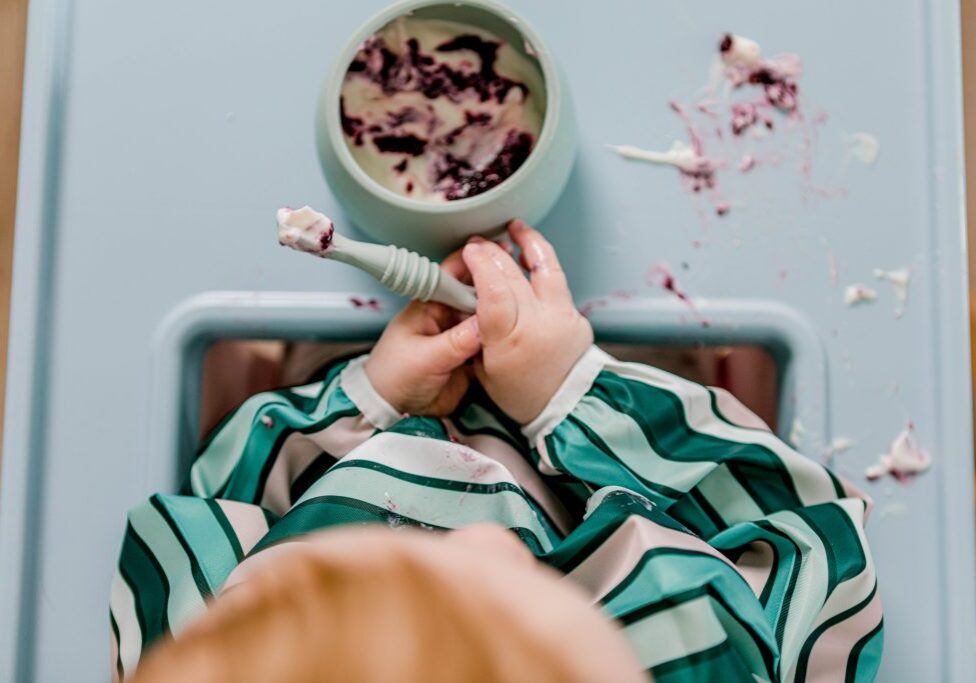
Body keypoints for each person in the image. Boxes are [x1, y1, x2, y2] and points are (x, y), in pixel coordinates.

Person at [110, 220, 882, 682]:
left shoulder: (217, 645)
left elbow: (220, 493)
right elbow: (808, 530)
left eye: (414, 559)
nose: (480, 536)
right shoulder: (703, 655)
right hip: (651, 440)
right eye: (531, 588)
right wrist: (578, 395)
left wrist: (365, 403)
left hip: (351, 407)